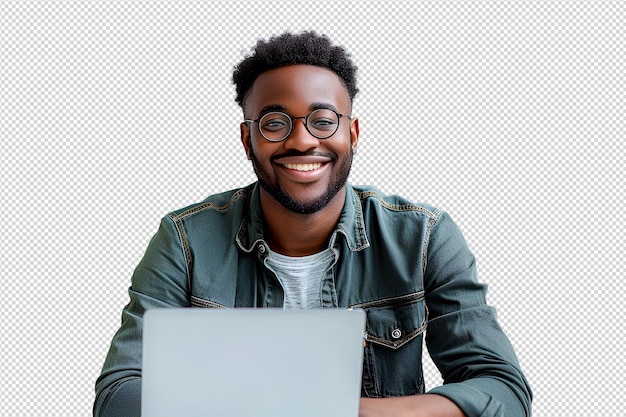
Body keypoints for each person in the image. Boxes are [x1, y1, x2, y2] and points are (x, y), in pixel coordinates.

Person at [94, 31, 532, 417]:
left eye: (323, 121)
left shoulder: (423, 237)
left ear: (353, 134)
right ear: (248, 139)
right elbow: (119, 395)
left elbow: (503, 392)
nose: (302, 140)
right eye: (275, 123)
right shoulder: (185, 241)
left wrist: (345, 412)